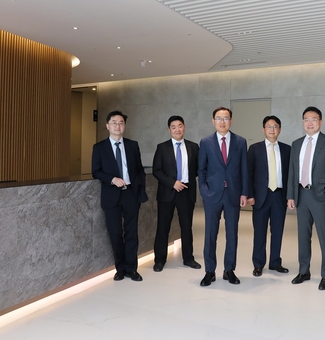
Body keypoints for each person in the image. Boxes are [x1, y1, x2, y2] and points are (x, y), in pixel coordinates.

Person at [287, 106, 325, 291]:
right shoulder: (296, 144)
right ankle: (304, 271)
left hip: (320, 196)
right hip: (301, 195)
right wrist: (291, 196)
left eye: (313, 119)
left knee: (324, 236)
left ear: (320, 122)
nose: (310, 123)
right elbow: (292, 172)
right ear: (303, 122)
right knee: (303, 236)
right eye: (306, 120)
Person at [91, 110, 148, 282]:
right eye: (114, 123)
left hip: (131, 194)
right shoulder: (99, 147)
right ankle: (120, 269)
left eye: (121, 123)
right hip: (111, 196)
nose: (118, 126)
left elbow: (139, 169)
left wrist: (139, 187)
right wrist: (112, 179)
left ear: (124, 126)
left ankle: (132, 269)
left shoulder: (132, 145)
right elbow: (96, 171)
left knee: (132, 233)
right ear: (107, 126)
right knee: (115, 233)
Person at [198, 107, 249, 287]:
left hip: (233, 194)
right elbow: (201, 169)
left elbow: (244, 169)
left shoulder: (240, 142)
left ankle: (229, 270)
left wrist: (244, 192)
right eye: (218, 118)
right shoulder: (206, 142)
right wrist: (204, 190)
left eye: (225, 118)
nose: (222, 122)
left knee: (232, 234)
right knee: (210, 234)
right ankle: (209, 271)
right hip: (212, 194)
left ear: (231, 121)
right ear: (213, 121)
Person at [152, 116, 201, 272]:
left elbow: (199, 169)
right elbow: (156, 170)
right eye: (173, 127)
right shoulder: (162, 147)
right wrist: (172, 182)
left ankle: (188, 258)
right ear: (169, 130)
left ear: (184, 127)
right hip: (167, 191)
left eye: (180, 126)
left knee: (186, 227)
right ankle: (160, 260)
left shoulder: (193, 147)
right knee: (163, 227)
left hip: (186, 192)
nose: (177, 129)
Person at [247, 116, 291, 277]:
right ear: (263, 129)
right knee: (259, 232)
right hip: (260, 197)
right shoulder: (254, 149)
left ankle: (275, 262)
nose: (272, 129)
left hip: (279, 196)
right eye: (269, 126)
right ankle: (258, 264)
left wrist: (290, 196)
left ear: (280, 129)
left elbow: (290, 175)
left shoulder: (287, 149)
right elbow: (248, 173)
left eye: (275, 126)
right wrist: (250, 195)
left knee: (277, 231)